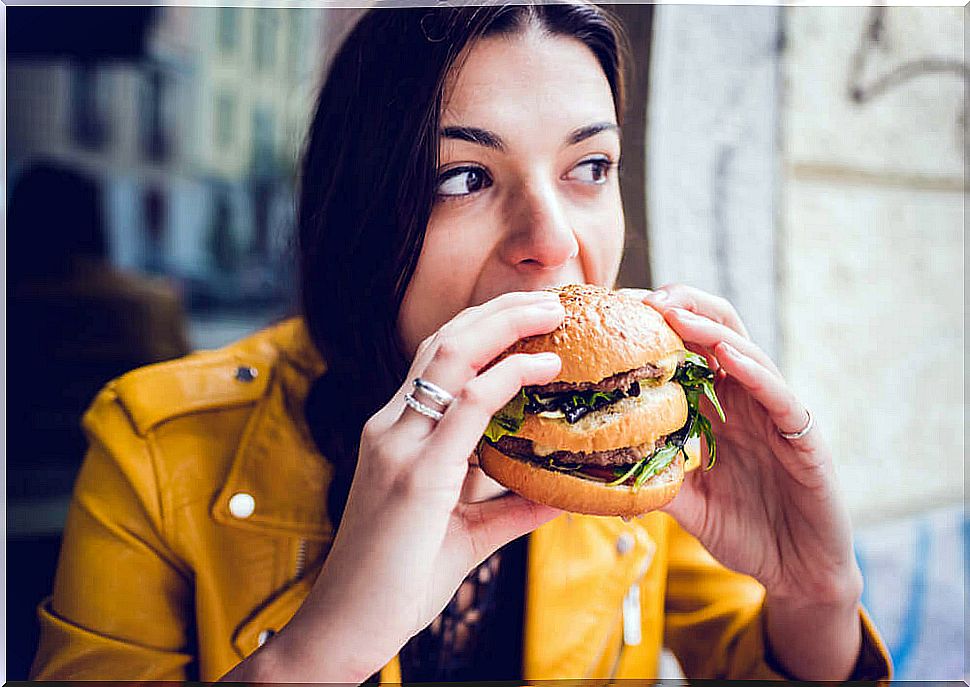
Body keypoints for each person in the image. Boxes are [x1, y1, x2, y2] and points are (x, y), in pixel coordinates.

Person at [31, 4, 892, 681]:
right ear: (363, 214)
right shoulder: (152, 446)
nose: (552, 242)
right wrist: (321, 651)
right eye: (465, 176)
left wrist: (815, 594)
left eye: (590, 167)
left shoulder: (626, 451)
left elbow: (750, 657)